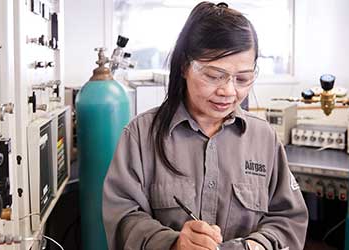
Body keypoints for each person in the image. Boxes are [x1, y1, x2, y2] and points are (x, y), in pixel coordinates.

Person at [102, 2, 308, 250]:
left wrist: (258, 245)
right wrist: (174, 243)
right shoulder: (140, 135)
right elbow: (124, 216)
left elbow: (289, 218)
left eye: (242, 79)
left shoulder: (264, 139)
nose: (229, 91)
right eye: (213, 76)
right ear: (184, 67)